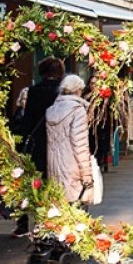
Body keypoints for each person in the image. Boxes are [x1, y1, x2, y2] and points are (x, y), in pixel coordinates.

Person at [11, 56, 64, 236]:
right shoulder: (63, 93)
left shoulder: (33, 91)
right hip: (57, 143)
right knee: (54, 183)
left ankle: (23, 222)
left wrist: (22, 141)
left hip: (37, 144)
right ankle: (48, 221)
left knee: (31, 182)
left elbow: (27, 120)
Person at [45, 73, 94, 205]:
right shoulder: (78, 111)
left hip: (54, 164)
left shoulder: (51, 110)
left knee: (58, 207)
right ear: (78, 90)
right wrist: (87, 175)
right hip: (72, 166)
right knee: (75, 210)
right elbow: (80, 145)